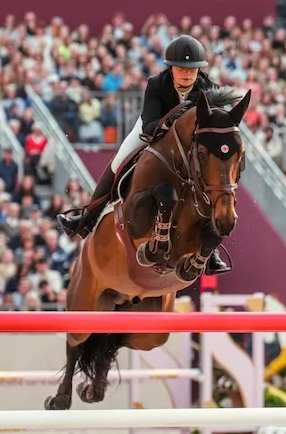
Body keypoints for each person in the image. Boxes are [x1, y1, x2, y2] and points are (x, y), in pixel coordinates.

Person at [57, 35, 230, 275]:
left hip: (190, 143)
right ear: (171, 68)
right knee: (119, 160)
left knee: (213, 176)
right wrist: (172, 121)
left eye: (192, 70)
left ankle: (211, 250)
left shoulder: (208, 88)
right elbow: (149, 126)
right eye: (181, 69)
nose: (187, 75)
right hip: (154, 131)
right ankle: (87, 216)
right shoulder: (156, 85)